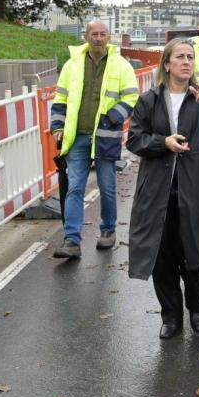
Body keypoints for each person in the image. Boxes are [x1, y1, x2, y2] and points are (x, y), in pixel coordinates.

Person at [127, 39, 199, 339]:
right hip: (157, 191)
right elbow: (134, 140)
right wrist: (162, 142)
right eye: (180, 57)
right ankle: (170, 316)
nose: (186, 62)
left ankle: (197, 309)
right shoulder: (149, 99)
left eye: (190, 57)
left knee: (193, 254)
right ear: (167, 63)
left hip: (195, 187)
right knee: (162, 258)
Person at [50, 20, 139, 259]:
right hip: (77, 136)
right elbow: (61, 97)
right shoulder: (73, 65)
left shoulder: (121, 65)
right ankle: (71, 240)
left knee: (107, 187)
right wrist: (57, 126)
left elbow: (131, 97)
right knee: (75, 187)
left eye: (103, 34)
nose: (99, 38)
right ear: (86, 36)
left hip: (105, 136)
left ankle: (108, 231)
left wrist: (112, 117)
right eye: (94, 34)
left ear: (109, 37)